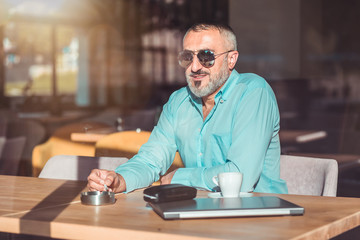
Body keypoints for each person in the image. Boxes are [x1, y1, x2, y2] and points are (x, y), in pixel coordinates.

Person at [87, 23, 288, 194]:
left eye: (206, 56)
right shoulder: (178, 102)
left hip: (260, 215)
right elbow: (150, 161)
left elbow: (240, 179)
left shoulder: (253, 91)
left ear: (231, 59)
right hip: (200, 214)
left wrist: (179, 176)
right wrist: (120, 179)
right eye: (187, 57)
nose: (194, 67)